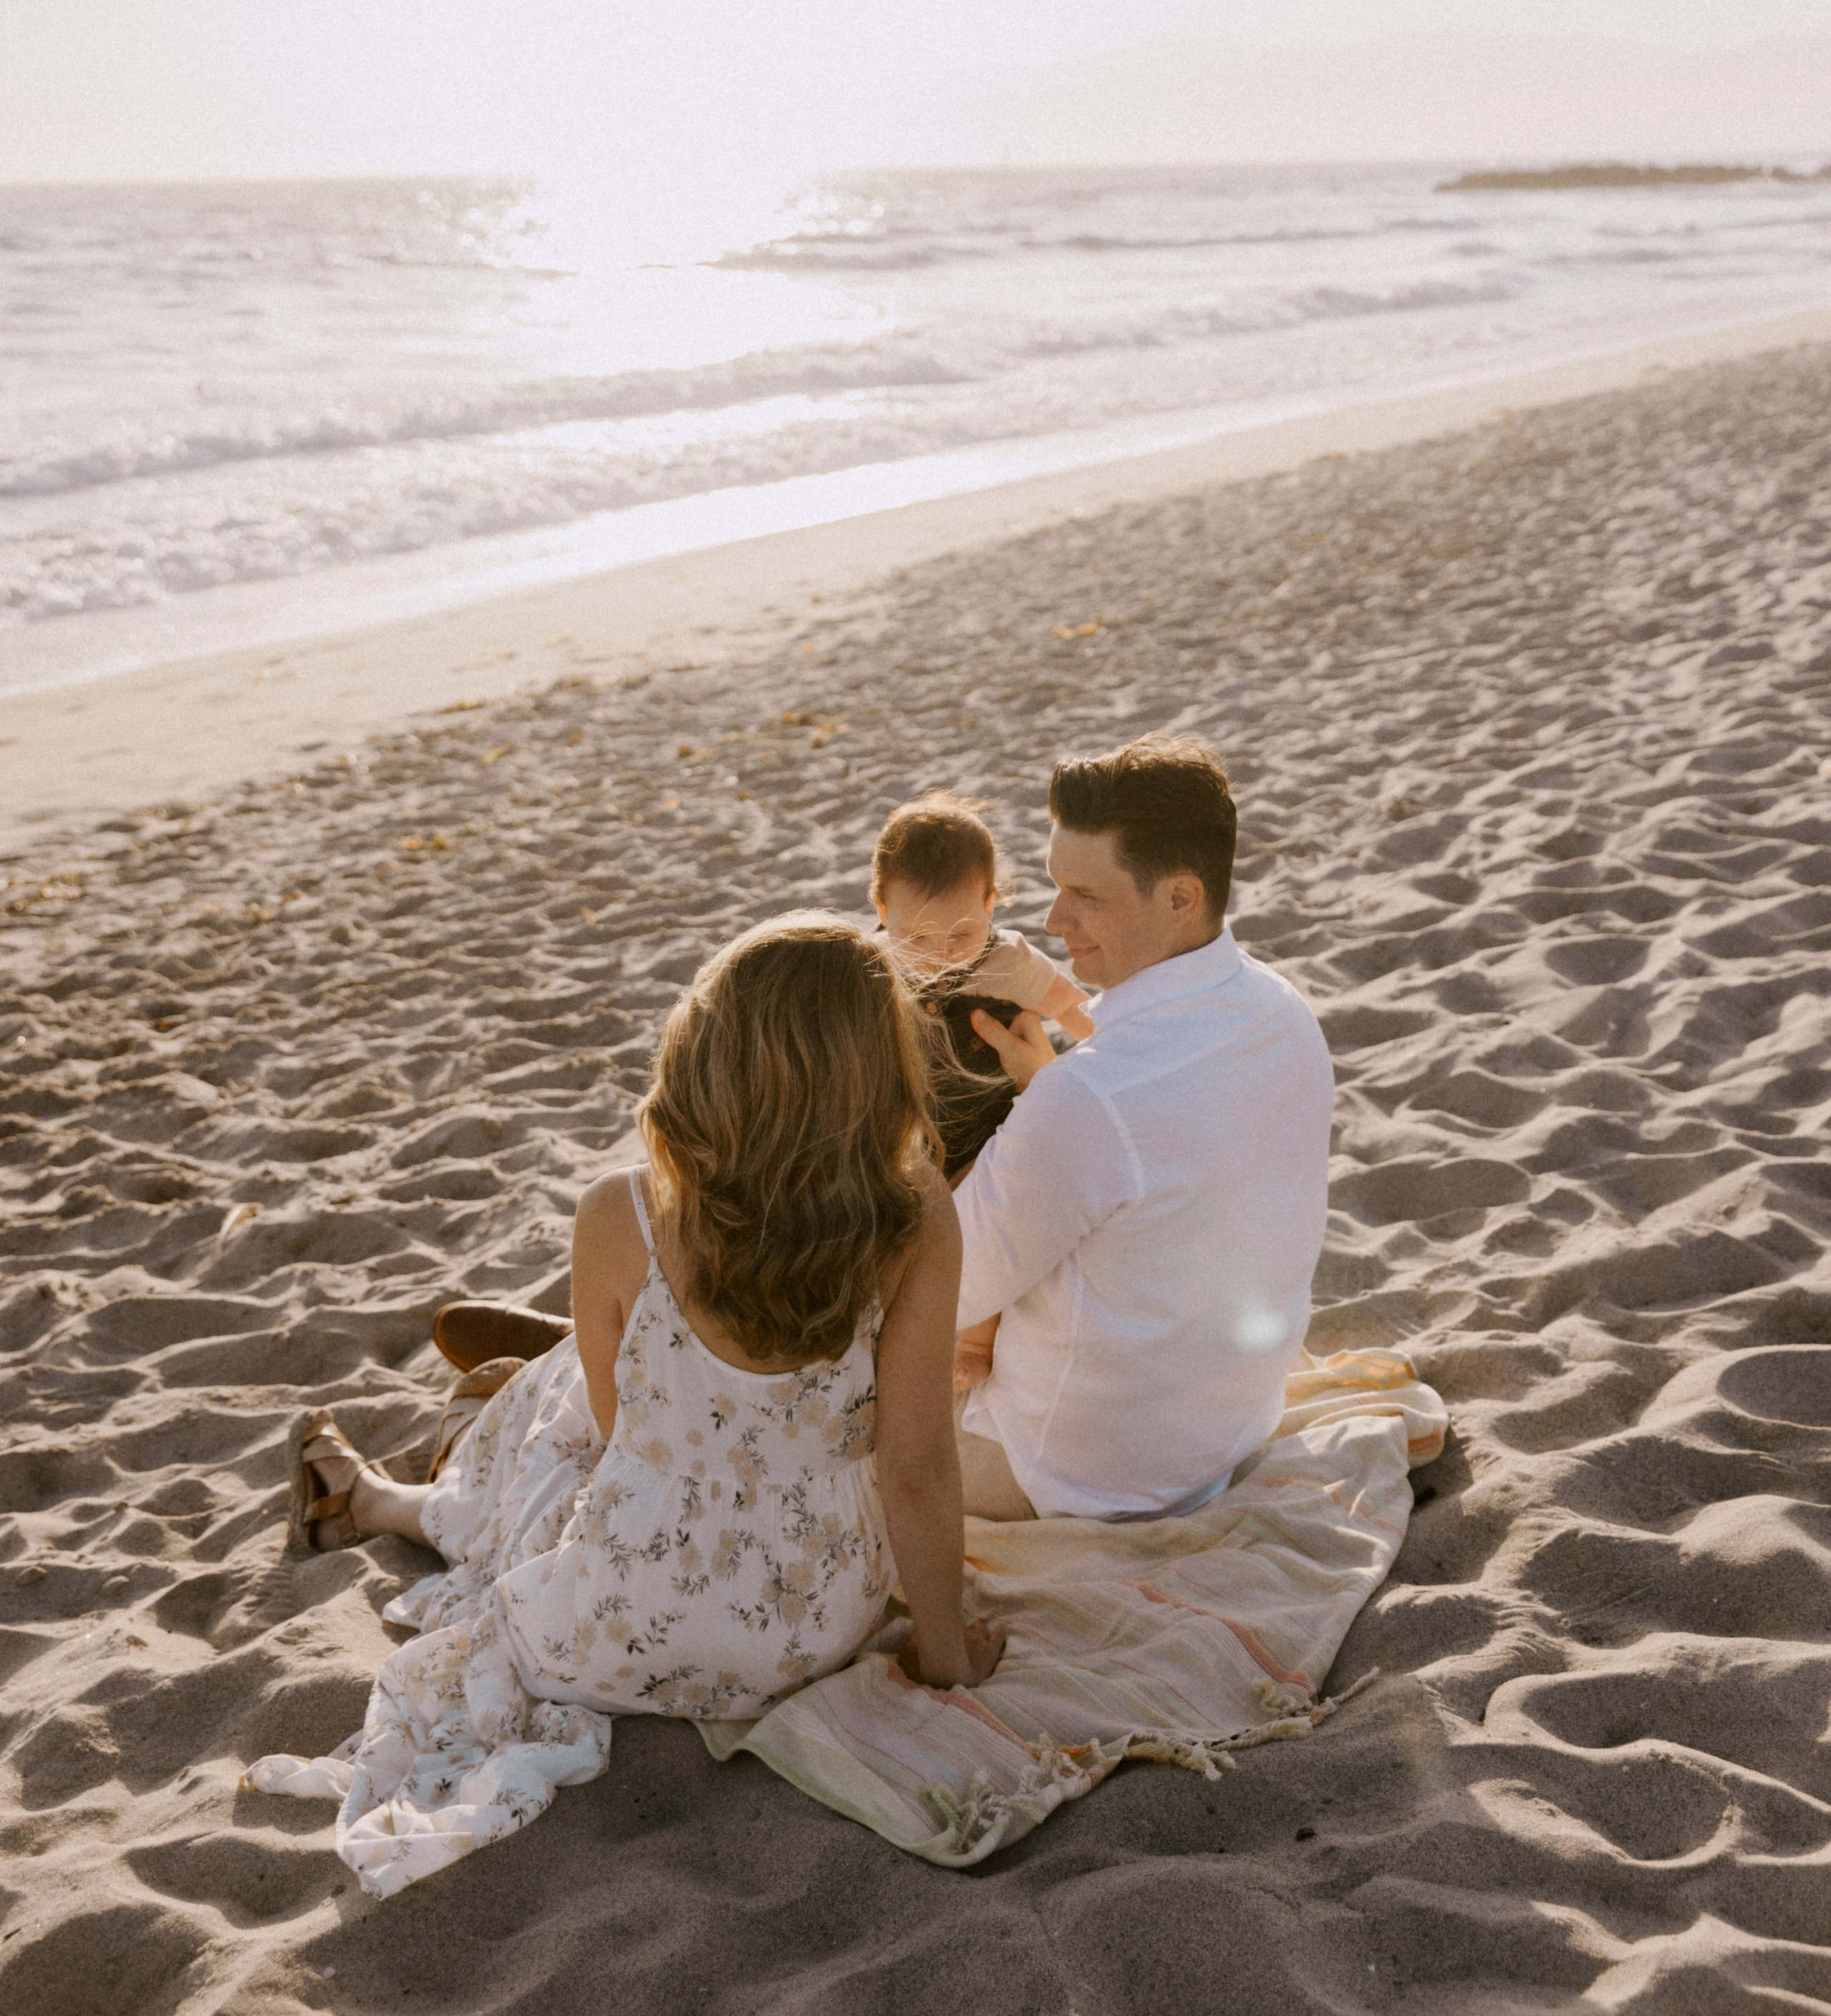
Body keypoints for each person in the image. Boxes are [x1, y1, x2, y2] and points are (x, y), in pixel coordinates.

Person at [277, 918, 1001, 1882]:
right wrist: (945, 1657)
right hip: (813, 1627)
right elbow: (916, 1464)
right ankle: (434, 1456)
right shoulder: (916, 1217)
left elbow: (621, 1435)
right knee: (568, 1411)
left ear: (708, 1055)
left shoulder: (619, 1210)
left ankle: (384, 1493)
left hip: (619, 1620)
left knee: (563, 1416)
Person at [951, 734, 1334, 1526]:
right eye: (1055, 886)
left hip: (1069, 1473)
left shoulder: (1089, 1097)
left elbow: (940, 1293)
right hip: (1224, 1431)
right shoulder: (1284, 1013)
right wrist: (1049, 1097)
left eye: (1086, 895)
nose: (1055, 919)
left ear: (1181, 898)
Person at [870, 790, 1091, 1178]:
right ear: (884, 913)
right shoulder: (873, 964)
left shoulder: (1008, 960)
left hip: (996, 1123)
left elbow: (1071, 1007)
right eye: (917, 938)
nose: (941, 954)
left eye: (962, 934)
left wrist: (1113, 1057)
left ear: (989, 905)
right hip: (912, 1136)